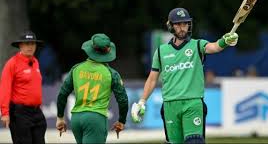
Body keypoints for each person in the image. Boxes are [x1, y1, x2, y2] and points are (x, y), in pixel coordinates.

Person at [131, 8, 238, 143]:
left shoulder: (198, 45)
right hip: (170, 105)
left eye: (185, 24)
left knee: (194, 141)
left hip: (192, 103)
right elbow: (152, 79)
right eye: (178, 24)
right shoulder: (161, 51)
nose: (182, 28)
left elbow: (215, 47)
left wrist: (225, 41)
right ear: (170, 26)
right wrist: (142, 102)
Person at [56, 33, 128, 143]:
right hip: (96, 118)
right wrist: (121, 121)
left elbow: (62, 94)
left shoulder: (76, 69)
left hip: (76, 118)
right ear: (108, 51)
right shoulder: (111, 73)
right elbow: (123, 100)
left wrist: (60, 117)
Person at [0, 30, 47, 144]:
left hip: (36, 112)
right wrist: (5, 113)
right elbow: (5, 88)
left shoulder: (35, 62)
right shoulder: (12, 63)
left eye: (32, 44)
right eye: (27, 44)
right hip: (19, 113)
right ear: (20, 45)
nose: (30, 47)